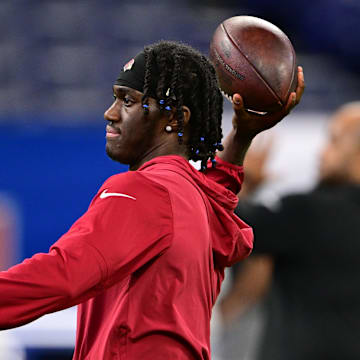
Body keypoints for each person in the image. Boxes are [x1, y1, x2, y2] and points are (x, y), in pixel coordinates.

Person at [0, 40, 303, 359]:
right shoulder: (194, 198)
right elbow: (219, 192)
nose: (110, 113)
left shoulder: (144, 190)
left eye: (127, 101)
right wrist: (242, 134)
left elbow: (61, 275)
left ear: (175, 118)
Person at [222, 101, 360, 360]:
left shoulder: (309, 213)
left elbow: (224, 219)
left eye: (334, 141)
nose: (322, 152)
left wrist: (239, 176)